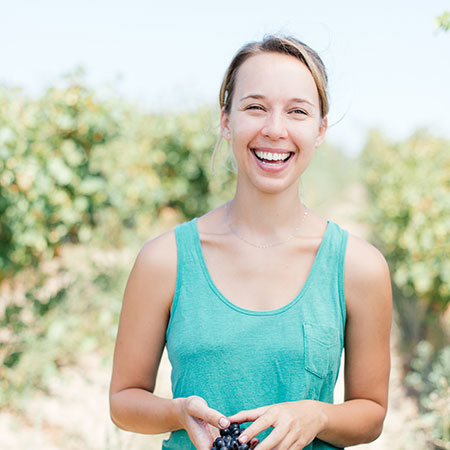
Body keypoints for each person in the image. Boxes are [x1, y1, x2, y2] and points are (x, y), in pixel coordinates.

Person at [109, 35, 393, 450]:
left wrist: (317, 414)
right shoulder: (164, 259)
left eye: (297, 111)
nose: (275, 129)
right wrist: (178, 411)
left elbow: (371, 413)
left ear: (319, 130)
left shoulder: (359, 267)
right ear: (226, 121)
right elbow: (123, 401)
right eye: (255, 107)